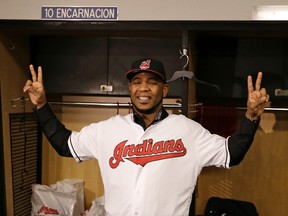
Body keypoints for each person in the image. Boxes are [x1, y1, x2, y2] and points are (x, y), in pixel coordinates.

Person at [24, 58, 269, 216]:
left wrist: (250, 117)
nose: (143, 88)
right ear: (129, 89)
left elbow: (231, 153)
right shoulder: (107, 130)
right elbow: (65, 144)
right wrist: (42, 105)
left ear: (164, 90)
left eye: (152, 82)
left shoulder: (188, 130)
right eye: (137, 82)